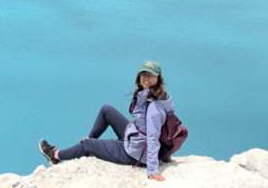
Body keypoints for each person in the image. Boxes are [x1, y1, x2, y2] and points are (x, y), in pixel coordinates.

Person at [38, 61, 174, 182]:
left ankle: (55, 156)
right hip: (135, 137)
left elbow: (153, 136)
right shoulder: (153, 95)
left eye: (151, 75)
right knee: (106, 110)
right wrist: (166, 156)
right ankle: (86, 143)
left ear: (158, 78)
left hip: (135, 153)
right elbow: (164, 129)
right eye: (143, 74)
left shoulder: (154, 107)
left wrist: (153, 168)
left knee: (88, 145)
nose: (146, 78)